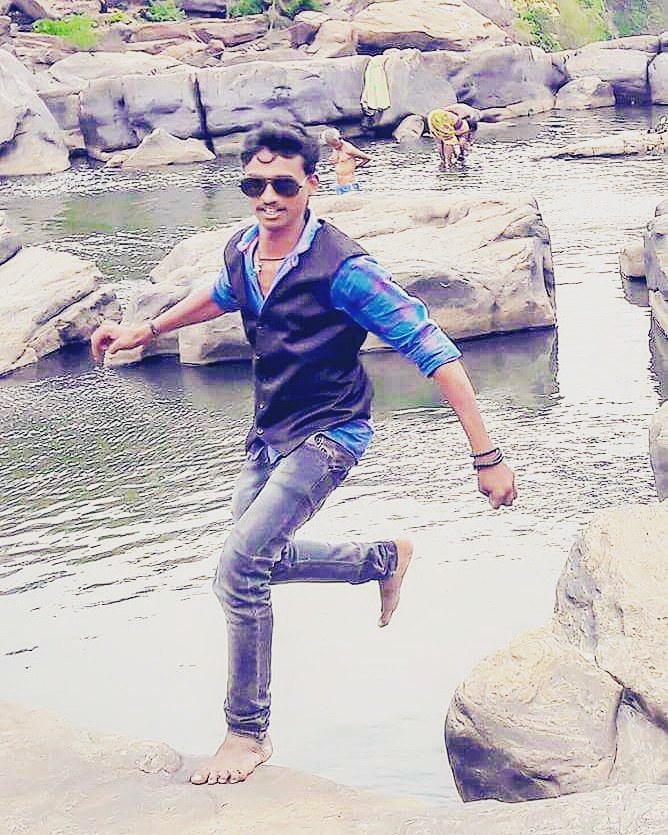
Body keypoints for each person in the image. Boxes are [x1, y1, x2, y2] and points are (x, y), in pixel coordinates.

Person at [90, 120, 517, 787]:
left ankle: (246, 733)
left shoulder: (344, 269)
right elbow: (220, 294)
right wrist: (146, 328)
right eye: (254, 184)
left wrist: (486, 456)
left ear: (311, 185)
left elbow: (432, 349)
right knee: (253, 560)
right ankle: (381, 559)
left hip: (330, 433)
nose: (268, 197)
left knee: (238, 569)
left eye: (283, 185)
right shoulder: (244, 249)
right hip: (269, 433)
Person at [321, 126, 371, 194]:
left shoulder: (349, 149)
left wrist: (356, 166)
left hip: (349, 185)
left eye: (335, 145)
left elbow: (367, 158)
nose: (334, 147)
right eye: (331, 145)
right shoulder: (335, 148)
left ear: (339, 139)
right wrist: (333, 161)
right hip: (339, 186)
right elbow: (339, 162)